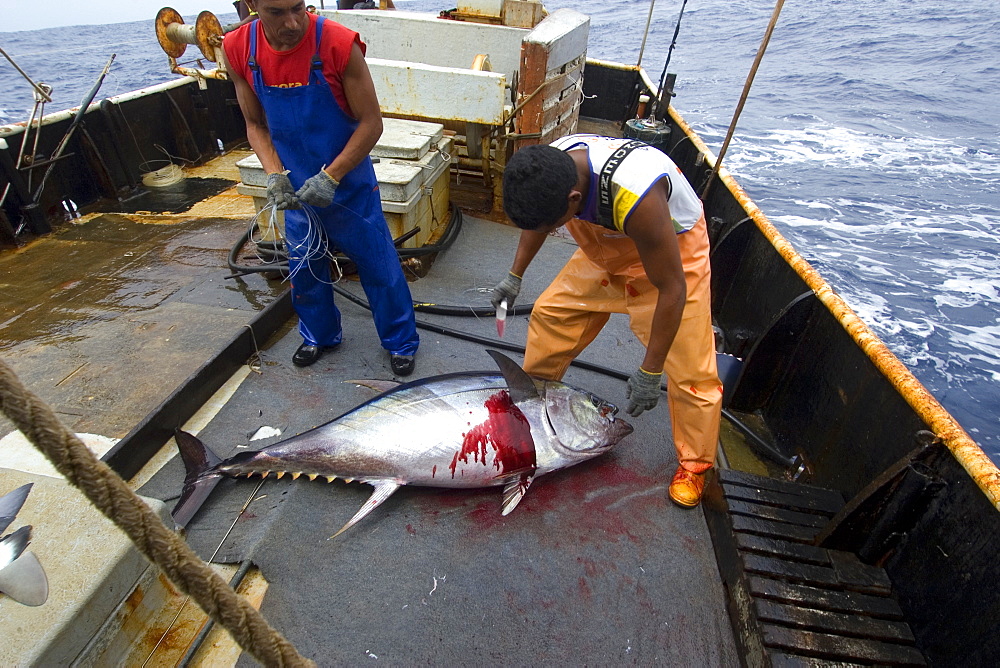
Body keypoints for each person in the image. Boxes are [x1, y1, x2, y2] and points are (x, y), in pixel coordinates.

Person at [492, 134, 722, 507]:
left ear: (574, 200)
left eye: (555, 225)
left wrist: (651, 370)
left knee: (692, 369)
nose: (550, 229)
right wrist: (514, 276)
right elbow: (537, 220)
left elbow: (673, 289)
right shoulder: (554, 166)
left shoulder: (639, 196)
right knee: (553, 313)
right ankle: (534, 400)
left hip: (670, 258)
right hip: (606, 249)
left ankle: (695, 465)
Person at [222, 0, 419, 375]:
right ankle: (319, 336)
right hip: (295, 188)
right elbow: (255, 124)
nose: (293, 22)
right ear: (252, 6)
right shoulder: (238, 49)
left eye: (298, 7)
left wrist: (332, 176)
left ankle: (400, 342)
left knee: (378, 265)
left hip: (349, 184)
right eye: (277, 13)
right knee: (305, 267)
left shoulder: (338, 43)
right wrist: (274, 174)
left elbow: (371, 123)